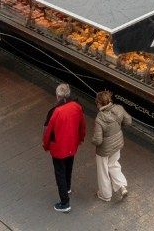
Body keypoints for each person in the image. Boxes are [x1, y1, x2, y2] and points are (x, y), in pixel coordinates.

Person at [42, 83, 87, 213]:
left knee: (59, 173)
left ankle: (64, 202)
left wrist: (46, 145)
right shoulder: (77, 107)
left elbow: (48, 131)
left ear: (58, 96)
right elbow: (82, 125)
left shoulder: (55, 111)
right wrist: (81, 139)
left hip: (59, 148)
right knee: (69, 167)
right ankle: (67, 187)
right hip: (72, 144)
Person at [90, 89, 130, 203]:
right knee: (114, 164)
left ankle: (105, 195)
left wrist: (92, 141)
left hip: (104, 149)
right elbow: (128, 121)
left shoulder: (99, 118)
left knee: (103, 170)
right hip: (117, 143)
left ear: (99, 103)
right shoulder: (119, 108)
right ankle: (122, 186)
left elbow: (98, 140)